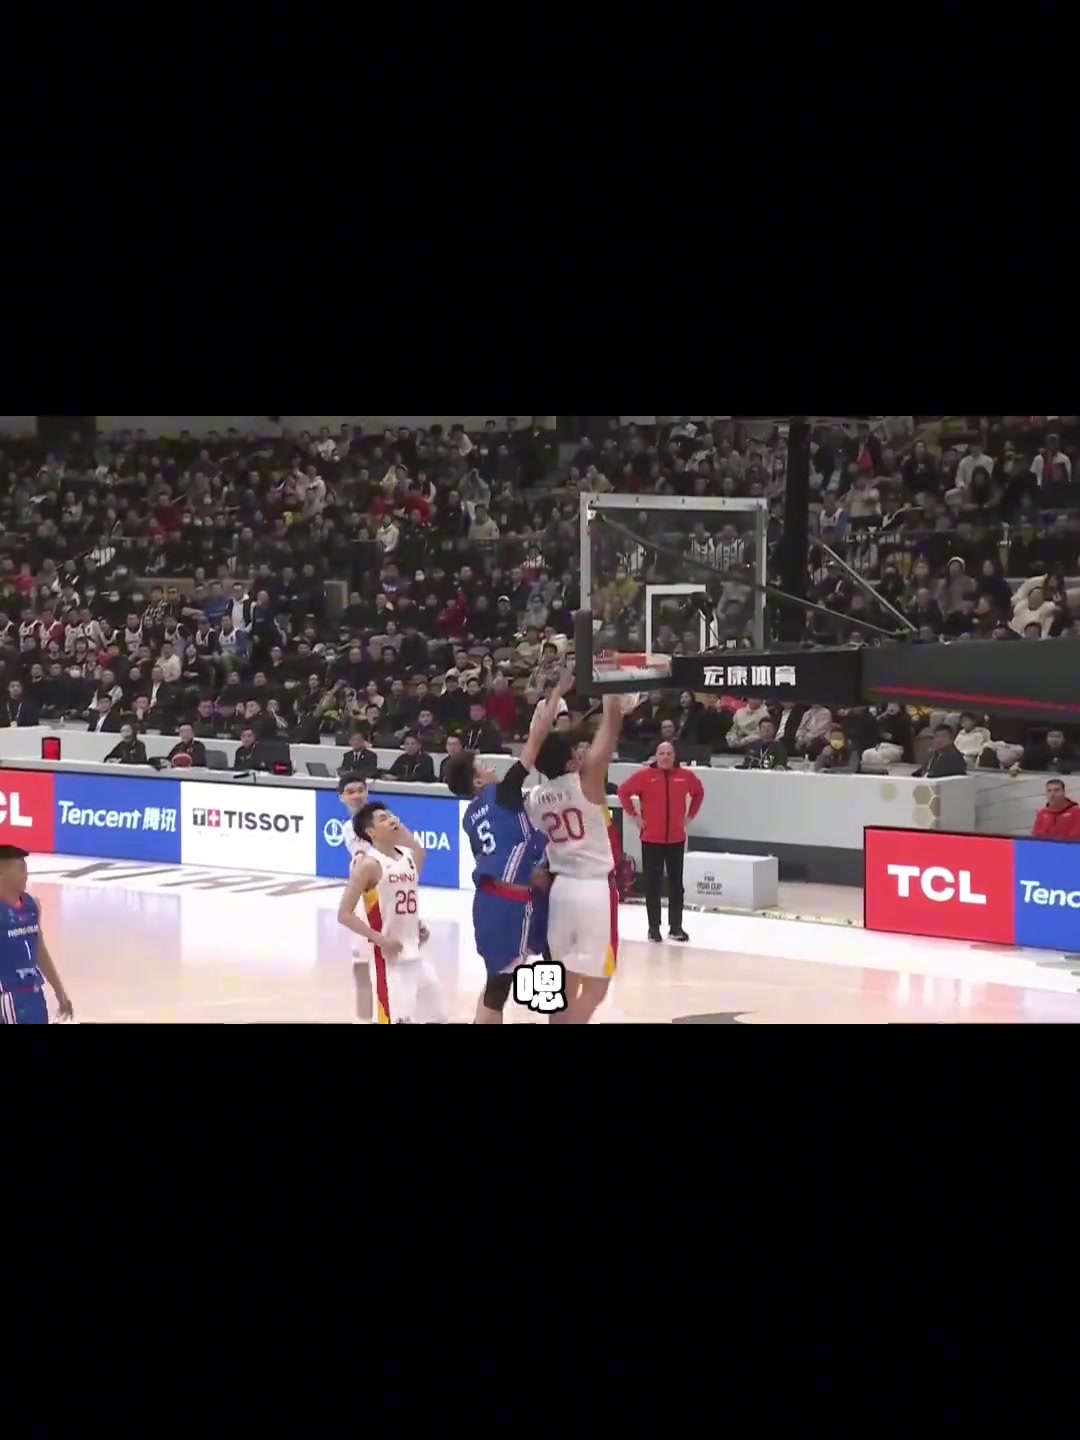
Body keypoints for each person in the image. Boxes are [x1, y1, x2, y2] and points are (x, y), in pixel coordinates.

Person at [445, 668, 572, 1024]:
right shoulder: (503, 793)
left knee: (502, 982)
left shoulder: (469, 817)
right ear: (476, 781)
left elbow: (498, 851)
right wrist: (557, 694)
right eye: (484, 766)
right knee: (522, 980)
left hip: (495, 901)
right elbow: (536, 738)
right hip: (513, 902)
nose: (491, 768)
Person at [524, 693, 626, 1024]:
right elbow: (609, 731)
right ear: (570, 763)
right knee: (597, 987)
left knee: (563, 984)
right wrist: (613, 696)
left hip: (560, 891)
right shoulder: (587, 783)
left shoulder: (534, 798)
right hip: (593, 890)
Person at [336, 803, 447, 1024]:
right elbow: (344, 914)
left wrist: (416, 923)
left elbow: (419, 851)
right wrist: (381, 940)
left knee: (437, 1017)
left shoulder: (408, 856)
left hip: (417, 951)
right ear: (371, 831)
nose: (392, 821)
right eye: (383, 819)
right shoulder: (369, 865)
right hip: (389, 959)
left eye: (392, 816)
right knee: (397, 1020)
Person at [618, 740, 705, 943]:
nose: (665, 757)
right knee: (652, 885)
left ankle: (676, 927)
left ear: (674, 756)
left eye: (669, 753)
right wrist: (635, 816)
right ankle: (653, 927)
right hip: (651, 839)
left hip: (676, 839)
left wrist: (690, 815)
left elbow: (699, 793)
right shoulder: (644, 776)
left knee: (676, 886)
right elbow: (623, 791)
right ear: (656, 756)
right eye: (662, 753)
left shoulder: (685, 776)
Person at [0, 844, 73, 1024]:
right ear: (2, 873)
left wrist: (59, 990)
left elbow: (39, 948)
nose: (27, 874)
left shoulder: (31, 905)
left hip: (35, 994)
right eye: (21, 869)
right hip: (8, 995)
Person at [337, 774, 375, 1023]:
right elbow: (360, 855)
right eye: (350, 792)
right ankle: (363, 1018)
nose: (357, 795)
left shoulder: (384, 820)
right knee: (361, 964)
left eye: (360, 790)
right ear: (341, 797)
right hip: (364, 899)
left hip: (387, 895)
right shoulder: (349, 828)